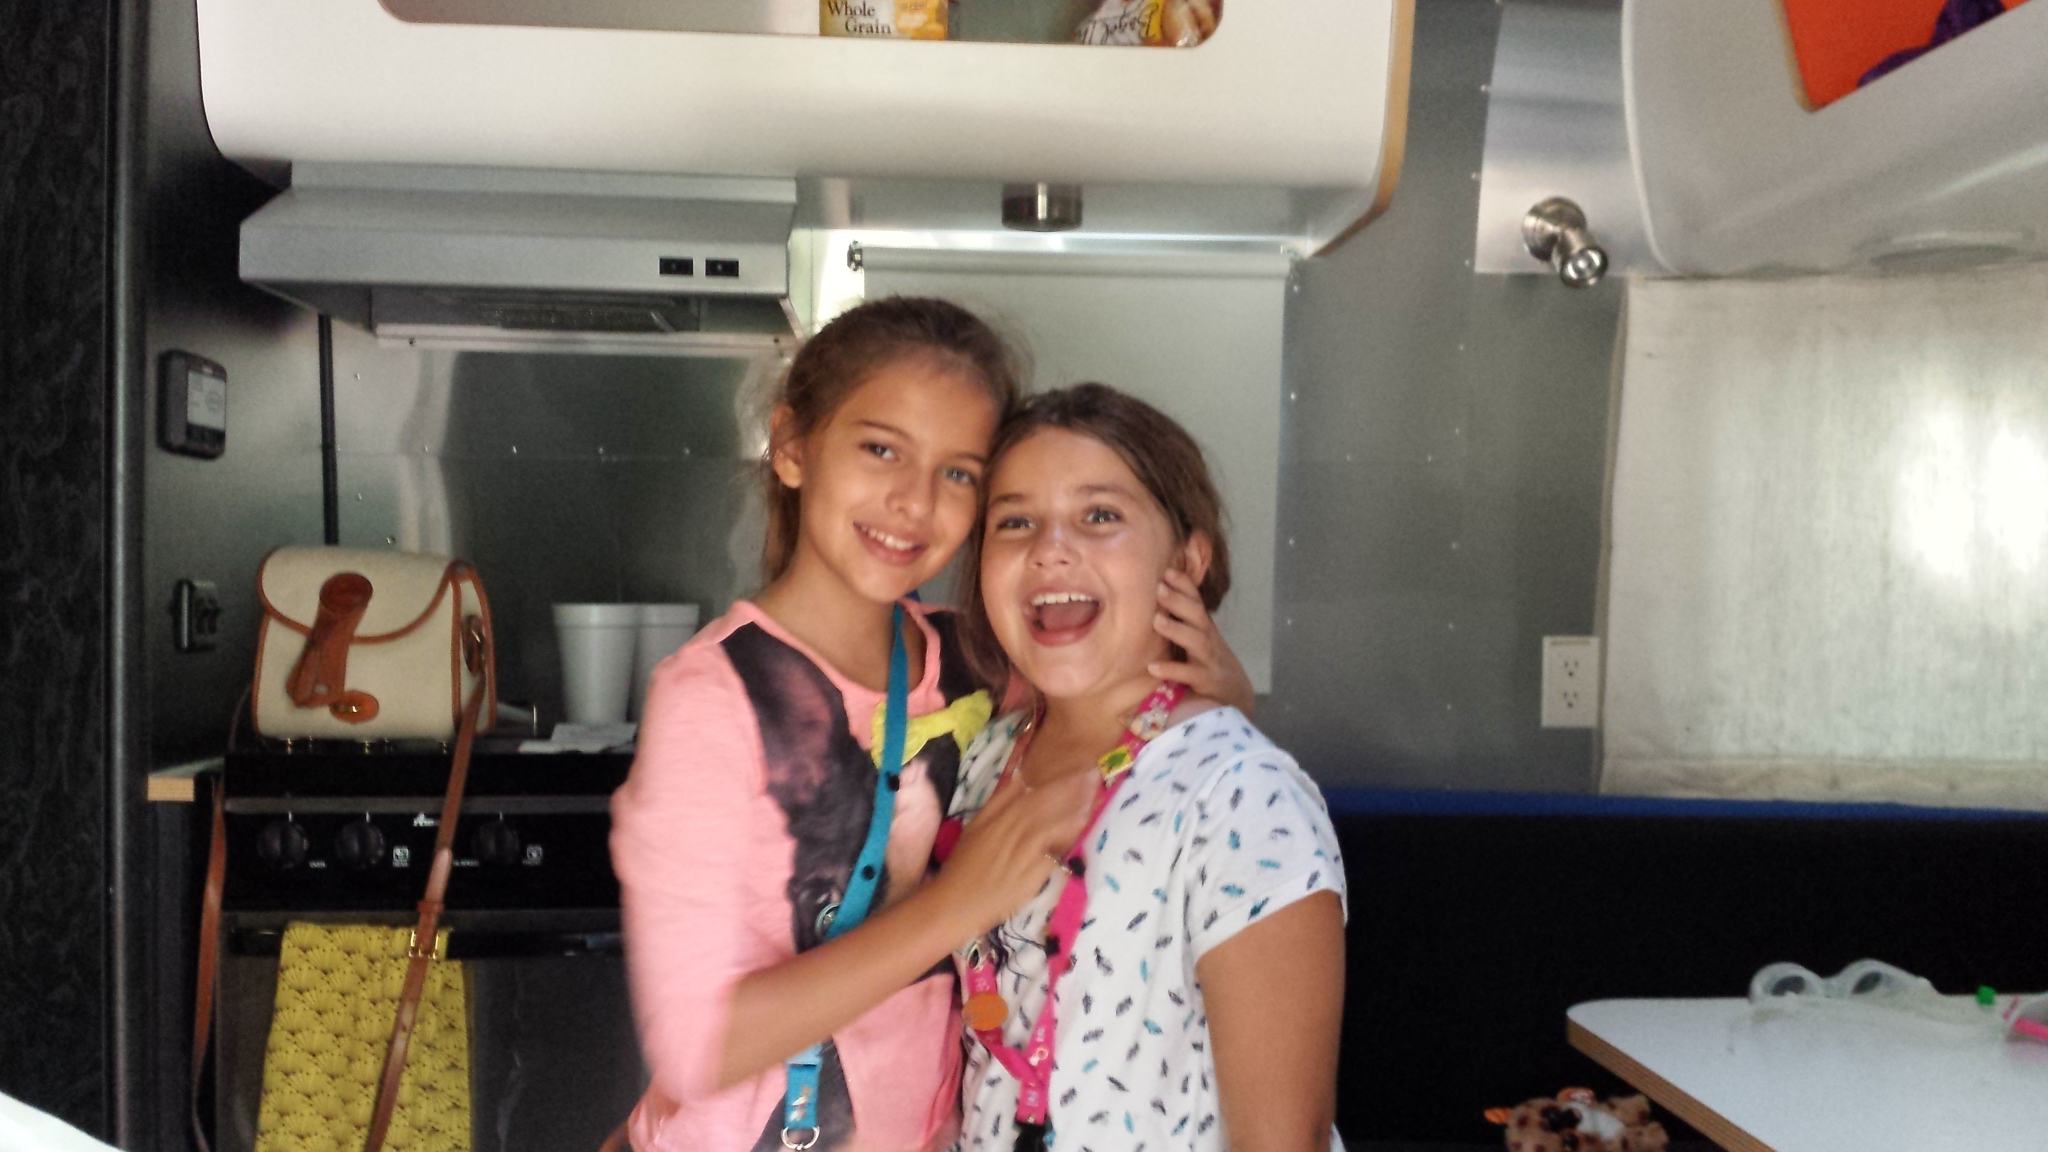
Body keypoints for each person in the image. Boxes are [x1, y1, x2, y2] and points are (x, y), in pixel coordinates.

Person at [610, 300, 1253, 1152]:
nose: (914, 502)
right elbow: (695, 1047)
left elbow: (1120, 736)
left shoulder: (978, 662)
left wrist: (1224, 695)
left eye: (959, 473)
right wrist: (956, 904)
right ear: (792, 446)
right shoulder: (711, 695)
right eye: (881, 449)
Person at [947, 383, 1346, 1152]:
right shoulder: (981, 758)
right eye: (1014, 521)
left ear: (1187, 560)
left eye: (1100, 515)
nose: (1050, 548)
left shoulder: (1239, 797)